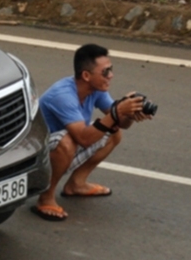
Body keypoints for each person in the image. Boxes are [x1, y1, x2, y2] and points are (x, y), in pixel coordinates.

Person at [31, 43, 151, 221]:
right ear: (86, 75)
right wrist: (118, 111)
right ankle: (46, 197)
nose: (111, 75)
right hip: (37, 157)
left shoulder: (96, 90)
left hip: (64, 148)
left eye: (111, 69)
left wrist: (130, 113)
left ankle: (76, 184)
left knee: (114, 132)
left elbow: (120, 124)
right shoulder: (62, 95)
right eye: (105, 72)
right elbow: (83, 138)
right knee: (67, 141)